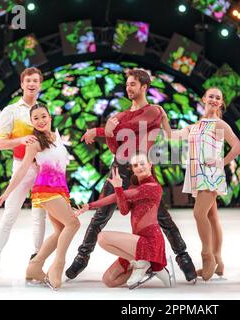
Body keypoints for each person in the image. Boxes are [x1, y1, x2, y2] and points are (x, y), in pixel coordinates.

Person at [66, 69, 197, 282]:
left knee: (162, 217)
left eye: (133, 84)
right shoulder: (121, 115)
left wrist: (99, 131)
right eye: (127, 84)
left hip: (143, 171)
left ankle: (182, 257)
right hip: (120, 167)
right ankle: (82, 256)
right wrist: (108, 133)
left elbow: (128, 127)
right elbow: (114, 144)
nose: (129, 87)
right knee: (101, 215)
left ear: (144, 87)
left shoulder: (153, 110)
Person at [160, 87, 240, 281]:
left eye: (218, 98)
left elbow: (238, 146)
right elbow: (172, 135)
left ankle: (208, 258)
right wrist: (163, 116)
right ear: (204, 98)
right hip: (198, 175)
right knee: (212, 217)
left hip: (210, 176)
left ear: (221, 103)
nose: (214, 100)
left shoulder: (219, 124)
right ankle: (219, 261)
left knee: (199, 214)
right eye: (211, 96)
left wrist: (221, 162)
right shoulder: (195, 126)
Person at [0, 104, 80, 290]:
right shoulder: (34, 142)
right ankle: (57, 267)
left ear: (50, 117)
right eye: (36, 118)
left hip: (61, 190)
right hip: (46, 190)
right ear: (31, 122)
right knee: (73, 224)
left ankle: (34, 266)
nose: (41, 121)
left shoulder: (56, 136)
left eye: (43, 116)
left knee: (59, 232)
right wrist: (7, 192)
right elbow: (23, 168)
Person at [0, 67, 47, 286]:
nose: (32, 84)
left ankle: (36, 261)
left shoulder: (44, 109)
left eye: (36, 81)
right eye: (28, 81)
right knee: (10, 215)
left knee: (39, 216)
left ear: (40, 84)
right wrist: (21, 140)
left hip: (42, 167)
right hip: (21, 166)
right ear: (22, 84)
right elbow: (0, 142)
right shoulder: (11, 111)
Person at [74, 153, 173, 288]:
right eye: (135, 165)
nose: (139, 167)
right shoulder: (134, 188)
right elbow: (124, 210)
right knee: (109, 280)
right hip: (136, 242)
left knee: (102, 237)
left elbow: (117, 196)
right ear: (132, 169)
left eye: (142, 163)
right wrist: (119, 189)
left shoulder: (153, 187)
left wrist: (91, 205)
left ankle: (145, 263)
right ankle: (146, 265)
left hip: (150, 242)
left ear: (150, 164)